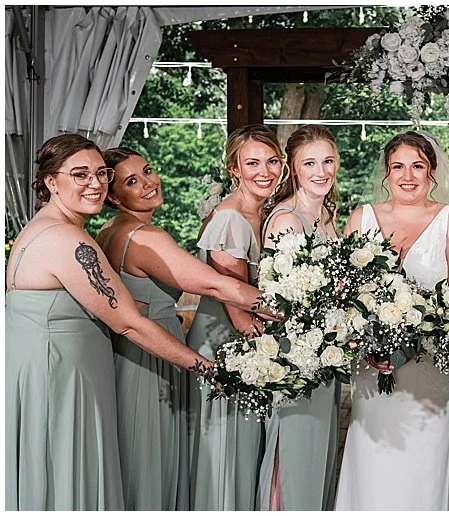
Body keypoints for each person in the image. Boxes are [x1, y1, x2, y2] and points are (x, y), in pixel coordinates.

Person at [7, 134, 217, 510]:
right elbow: (129, 323)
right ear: (51, 182)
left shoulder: (46, 230)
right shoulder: (69, 240)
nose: (95, 183)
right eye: (80, 174)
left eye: (101, 173)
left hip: (50, 371)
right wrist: (205, 367)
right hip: (64, 380)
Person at [96, 147, 269, 510]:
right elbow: (217, 285)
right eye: (132, 181)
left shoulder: (109, 230)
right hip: (151, 359)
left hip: (128, 353)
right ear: (113, 195)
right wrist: (301, 304)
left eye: (147, 170)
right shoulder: (145, 237)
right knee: (151, 463)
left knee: (138, 457)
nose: (147, 183)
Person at [332, 131, 449, 510]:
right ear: (386, 171)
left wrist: (409, 347)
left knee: (423, 469)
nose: (407, 176)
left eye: (417, 167)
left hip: (429, 371)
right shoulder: (361, 217)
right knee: (374, 465)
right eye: (398, 166)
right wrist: (367, 344)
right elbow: (343, 296)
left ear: (432, 173)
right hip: (371, 368)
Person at [188, 124, 282, 510]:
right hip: (226, 347)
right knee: (228, 452)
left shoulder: (260, 213)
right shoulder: (230, 220)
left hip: (247, 344)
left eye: (272, 161)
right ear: (234, 169)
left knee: (245, 450)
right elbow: (240, 313)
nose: (265, 171)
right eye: (253, 163)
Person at [256, 124, 343, 510]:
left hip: (328, 352)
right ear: (293, 167)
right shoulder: (286, 219)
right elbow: (277, 300)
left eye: (327, 161)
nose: (321, 171)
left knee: (317, 456)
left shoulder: (328, 215)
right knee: (292, 454)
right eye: (310, 163)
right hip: (297, 355)